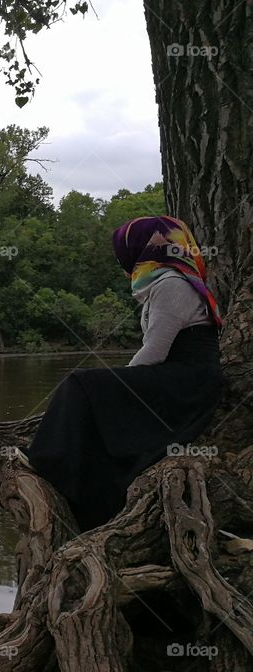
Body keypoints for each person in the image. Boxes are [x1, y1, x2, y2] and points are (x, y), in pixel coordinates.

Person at [20, 215, 225, 532]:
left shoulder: (171, 284)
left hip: (189, 382)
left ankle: (45, 462)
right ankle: (82, 488)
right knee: (93, 393)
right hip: (178, 376)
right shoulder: (169, 280)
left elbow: (154, 352)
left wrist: (116, 388)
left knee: (82, 385)